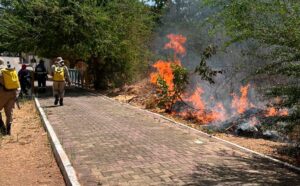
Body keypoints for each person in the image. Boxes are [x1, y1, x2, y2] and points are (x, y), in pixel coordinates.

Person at [0, 59, 20, 135]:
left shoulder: (1, 72)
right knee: (9, 113)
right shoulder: (10, 70)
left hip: (2, 94)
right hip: (12, 94)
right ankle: (8, 131)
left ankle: (2, 128)